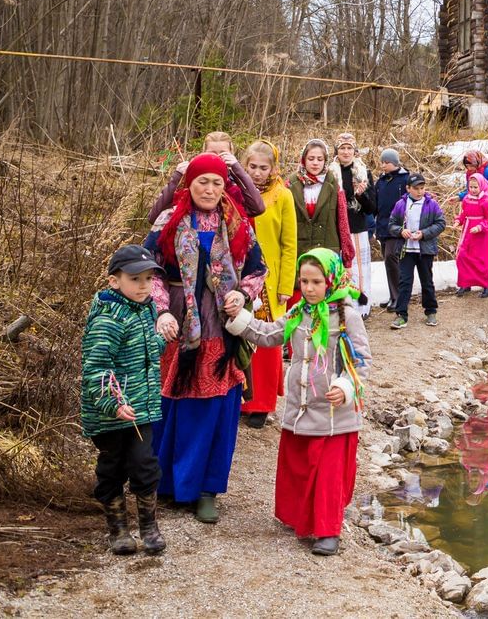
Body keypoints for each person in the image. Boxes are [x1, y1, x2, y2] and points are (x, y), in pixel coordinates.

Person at [144, 152, 267, 525]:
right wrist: (162, 309)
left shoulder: (237, 223)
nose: (210, 189)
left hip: (220, 326)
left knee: (215, 407)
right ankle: (166, 483)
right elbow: (150, 272)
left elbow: (257, 270)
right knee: (173, 403)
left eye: (216, 182)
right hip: (178, 326)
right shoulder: (169, 221)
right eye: (202, 182)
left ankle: (206, 490)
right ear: (190, 184)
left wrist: (242, 295)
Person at [223, 248, 371, 557]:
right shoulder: (297, 313)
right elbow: (267, 335)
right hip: (301, 408)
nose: (308, 288)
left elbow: (362, 362)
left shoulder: (347, 316)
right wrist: (240, 319)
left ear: (330, 281)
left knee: (327, 475)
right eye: (303, 281)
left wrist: (345, 387)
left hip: (334, 415)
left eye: (316, 282)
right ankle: (299, 516)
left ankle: (328, 531)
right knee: (300, 466)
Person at [81, 244, 167, 556]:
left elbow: (144, 354)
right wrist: (113, 405)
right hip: (109, 415)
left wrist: (161, 340)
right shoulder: (108, 319)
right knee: (112, 467)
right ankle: (118, 529)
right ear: (114, 281)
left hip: (140, 409)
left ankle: (148, 526)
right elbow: (96, 368)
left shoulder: (146, 309)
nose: (143, 285)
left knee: (144, 464)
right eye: (135, 279)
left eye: (148, 278)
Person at [240, 139, 297, 429]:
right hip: (239, 275)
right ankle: (243, 395)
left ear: (273, 167)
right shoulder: (236, 191)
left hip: (269, 279)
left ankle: (261, 404)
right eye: (252, 167)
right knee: (240, 334)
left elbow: (289, 244)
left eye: (264, 167)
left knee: (266, 341)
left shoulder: (282, 195)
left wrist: (286, 284)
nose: (257, 172)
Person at [146, 130, 265, 221]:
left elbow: (257, 208)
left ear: (231, 154)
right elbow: (154, 217)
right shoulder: (192, 182)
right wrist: (177, 177)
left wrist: (237, 168)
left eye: (223, 154)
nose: (217, 158)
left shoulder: (236, 184)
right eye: (212, 154)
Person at [288, 139, 356, 272]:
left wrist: (347, 260)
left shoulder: (334, 185)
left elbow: (343, 223)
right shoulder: (290, 184)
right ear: (304, 159)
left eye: (320, 159)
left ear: (325, 161)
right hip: (297, 252)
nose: (315, 163)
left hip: (327, 253)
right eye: (311, 158)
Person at [388, 173, 445, 327]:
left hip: (425, 249)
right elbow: (391, 224)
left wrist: (424, 234)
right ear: (408, 188)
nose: (420, 191)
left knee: (427, 281)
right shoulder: (401, 204)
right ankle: (401, 315)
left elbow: (440, 223)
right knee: (404, 282)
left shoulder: (431, 204)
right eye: (416, 188)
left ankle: (431, 311)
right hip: (406, 250)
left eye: (422, 188)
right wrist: (401, 231)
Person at [333, 133, 376, 313]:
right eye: (342, 148)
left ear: (355, 151)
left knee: (359, 270)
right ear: (337, 151)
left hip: (357, 228)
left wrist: (361, 194)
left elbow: (372, 208)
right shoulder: (331, 173)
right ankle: (341, 307)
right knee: (340, 269)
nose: (346, 151)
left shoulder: (363, 173)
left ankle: (360, 308)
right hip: (337, 229)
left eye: (349, 148)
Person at [371, 148, 410, 311]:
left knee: (391, 258)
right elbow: (375, 203)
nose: (383, 165)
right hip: (382, 226)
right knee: (388, 262)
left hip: (398, 227)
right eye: (382, 162)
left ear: (394, 163)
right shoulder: (380, 181)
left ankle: (399, 297)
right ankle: (393, 295)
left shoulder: (405, 179)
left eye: (386, 162)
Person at [455, 171, 488, 297]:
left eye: (475, 187)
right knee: (463, 256)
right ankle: (465, 283)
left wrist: (480, 227)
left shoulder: (486, 201)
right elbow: (464, 213)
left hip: (481, 235)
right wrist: (459, 220)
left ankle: (486, 285)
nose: (472, 190)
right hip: (468, 232)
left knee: (481, 259)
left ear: (481, 186)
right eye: (470, 187)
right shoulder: (466, 199)